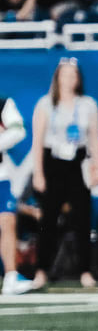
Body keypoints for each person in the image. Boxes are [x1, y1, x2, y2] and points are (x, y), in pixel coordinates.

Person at [30, 58, 98, 290]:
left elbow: (94, 138)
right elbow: (38, 141)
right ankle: (41, 271)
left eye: (73, 75)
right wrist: (38, 173)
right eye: (65, 74)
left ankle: (85, 271)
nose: (69, 79)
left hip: (77, 164)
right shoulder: (45, 104)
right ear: (57, 77)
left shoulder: (88, 104)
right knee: (48, 220)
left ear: (79, 78)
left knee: (82, 219)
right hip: (53, 163)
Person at [0, 91, 32, 295]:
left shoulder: (3, 103)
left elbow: (18, 130)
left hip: (0, 175)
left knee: (8, 221)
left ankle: (11, 276)